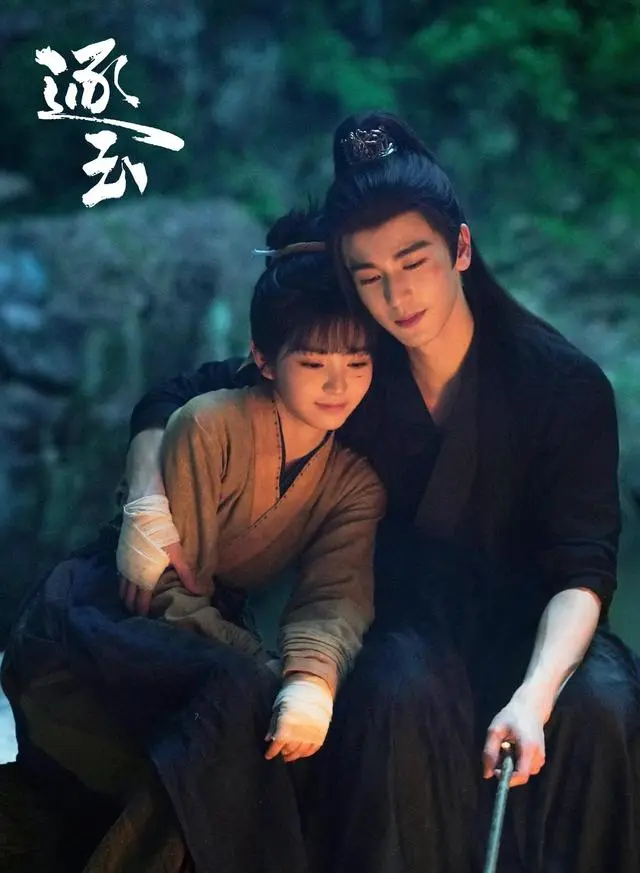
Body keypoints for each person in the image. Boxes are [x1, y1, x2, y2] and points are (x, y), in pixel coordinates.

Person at [119, 113, 640, 873]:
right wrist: (145, 495)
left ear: (461, 250)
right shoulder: (356, 369)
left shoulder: (562, 385)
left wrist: (533, 695)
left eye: (414, 260)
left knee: (601, 704)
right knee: (396, 690)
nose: (398, 294)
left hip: (542, 627)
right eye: (369, 276)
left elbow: (583, 569)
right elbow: (184, 392)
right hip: (411, 625)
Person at [1, 207, 385, 873]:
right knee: (236, 698)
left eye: (358, 362)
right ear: (263, 358)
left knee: (266, 721)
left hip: (206, 637)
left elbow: (335, 594)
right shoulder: (209, 423)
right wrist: (259, 661)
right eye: (313, 361)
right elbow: (166, 585)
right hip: (106, 614)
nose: (338, 383)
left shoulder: (354, 481)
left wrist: (310, 678)